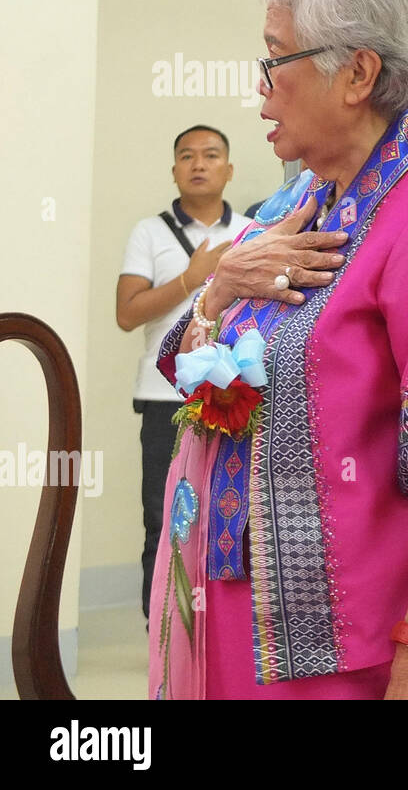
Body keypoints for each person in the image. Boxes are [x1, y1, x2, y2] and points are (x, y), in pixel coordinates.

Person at [147, 0, 408, 700]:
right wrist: (220, 285)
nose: (260, 91)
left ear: (357, 73)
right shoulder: (298, 202)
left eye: (275, 59)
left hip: (359, 641)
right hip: (235, 606)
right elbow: (184, 365)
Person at [116, 125, 251, 619]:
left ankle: (217, 629)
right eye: (187, 156)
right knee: (162, 514)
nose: (199, 164)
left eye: (211, 155)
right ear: (174, 170)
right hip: (163, 396)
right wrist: (191, 279)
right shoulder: (149, 232)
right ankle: (161, 630)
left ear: (228, 169)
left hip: (234, 395)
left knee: (228, 512)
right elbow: (127, 313)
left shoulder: (249, 233)